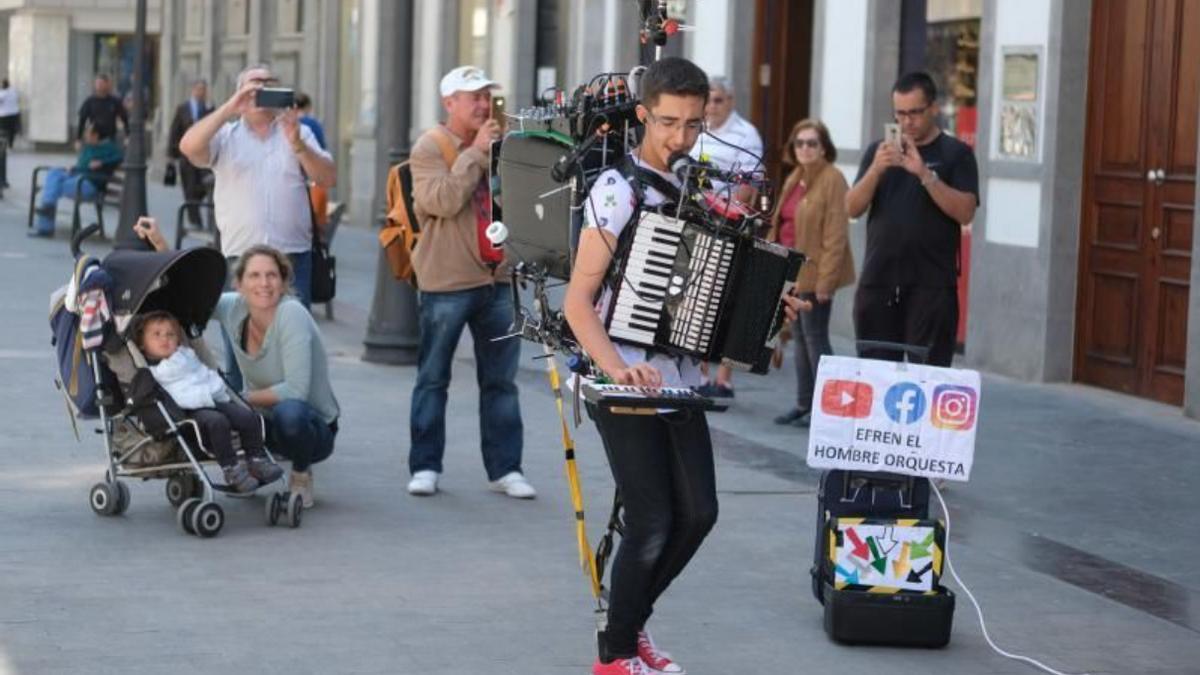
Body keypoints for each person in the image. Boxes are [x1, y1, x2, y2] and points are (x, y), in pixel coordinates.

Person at [562, 56, 809, 675]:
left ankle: (630, 624)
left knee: (699, 513)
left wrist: (765, 303)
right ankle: (615, 657)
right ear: (644, 114)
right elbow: (576, 303)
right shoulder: (616, 190)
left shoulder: (687, 187)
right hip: (622, 380)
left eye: (693, 124)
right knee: (651, 521)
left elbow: (701, 290)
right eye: (669, 122)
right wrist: (618, 369)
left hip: (680, 379)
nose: (680, 136)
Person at [135, 218, 339, 509]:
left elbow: (296, 390)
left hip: (312, 428)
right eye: (254, 276)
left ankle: (301, 473)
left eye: (272, 276)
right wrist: (159, 244)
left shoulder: (292, 315)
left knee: (288, 414)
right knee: (226, 416)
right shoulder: (234, 307)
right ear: (239, 283)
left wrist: (238, 400)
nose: (264, 284)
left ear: (283, 282)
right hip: (262, 420)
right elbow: (187, 295)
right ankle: (252, 466)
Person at [404, 65, 532, 500]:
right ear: (449, 104)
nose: (482, 104)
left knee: (500, 382)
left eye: (486, 96)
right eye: (471, 97)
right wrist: (476, 153)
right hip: (447, 280)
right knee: (433, 378)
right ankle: (424, 466)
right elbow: (439, 201)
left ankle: (506, 469)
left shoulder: (503, 141)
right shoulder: (430, 147)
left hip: (497, 277)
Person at [845, 71, 979, 367]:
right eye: (900, 114)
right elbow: (852, 208)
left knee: (927, 377)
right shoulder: (878, 152)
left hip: (930, 285)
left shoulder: (956, 154)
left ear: (934, 108)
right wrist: (876, 170)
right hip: (879, 281)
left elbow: (966, 211)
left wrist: (924, 174)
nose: (907, 122)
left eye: (915, 113)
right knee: (875, 374)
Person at [178, 63, 336, 309]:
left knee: (294, 339)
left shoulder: (298, 131)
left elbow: (328, 178)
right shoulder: (226, 136)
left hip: (291, 257)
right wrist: (229, 108)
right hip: (241, 257)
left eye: (267, 84)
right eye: (253, 86)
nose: (260, 90)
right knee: (241, 337)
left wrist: (298, 145)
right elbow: (188, 147)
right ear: (239, 93)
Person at [767, 119, 855, 427]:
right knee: (800, 339)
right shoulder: (796, 176)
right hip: (793, 273)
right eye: (799, 143)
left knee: (816, 339)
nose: (805, 149)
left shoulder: (833, 179)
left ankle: (829, 409)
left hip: (816, 275)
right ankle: (805, 403)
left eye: (812, 143)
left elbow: (835, 235)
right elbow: (781, 225)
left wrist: (826, 282)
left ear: (824, 147)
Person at [135, 310, 283, 492]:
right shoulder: (151, 371)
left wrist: (215, 386)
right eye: (156, 335)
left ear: (179, 339)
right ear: (142, 344)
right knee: (217, 421)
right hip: (187, 409)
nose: (164, 339)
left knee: (247, 416)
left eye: (170, 334)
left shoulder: (186, 355)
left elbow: (203, 373)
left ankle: (257, 459)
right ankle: (231, 468)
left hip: (210, 397)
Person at [687, 76, 764, 400]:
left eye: (718, 100)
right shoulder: (695, 130)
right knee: (697, 296)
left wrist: (726, 216)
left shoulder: (745, 134)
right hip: (697, 219)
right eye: (708, 100)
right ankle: (699, 373)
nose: (712, 107)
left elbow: (750, 184)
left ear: (730, 101)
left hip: (729, 223)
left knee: (727, 299)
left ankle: (724, 377)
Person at [29, 125, 123, 238]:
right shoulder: (88, 148)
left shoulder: (109, 148)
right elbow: (82, 166)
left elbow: (120, 157)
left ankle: (46, 226)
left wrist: (102, 163)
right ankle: (47, 210)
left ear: (96, 135)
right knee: (54, 172)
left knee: (54, 188)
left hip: (90, 184)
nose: (85, 136)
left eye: (88, 133)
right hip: (77, 178)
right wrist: (73, 168)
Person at [168, 79, 215, 228]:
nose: (201, 92)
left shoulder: (209, 108)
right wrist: (171, 154)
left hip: (204, 156)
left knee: (205, 186)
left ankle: (208, 220)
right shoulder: (183, 108)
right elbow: (174, 130)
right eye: (199, 89)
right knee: (189, 188)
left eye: (204, 89)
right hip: (186, 157)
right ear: (193, 90)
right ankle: (195, 221)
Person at [76, 74, 127, 144]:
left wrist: (128, 135)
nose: (99, 85)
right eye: (97, 83)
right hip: (93, 139)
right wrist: (78, 139)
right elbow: (82, 120)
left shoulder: (115, 101)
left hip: (110, 139)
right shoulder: (89, 101)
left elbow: (124, 118)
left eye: (101, 83)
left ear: (107, 84)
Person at [0, 79, 20, 149]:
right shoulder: (13, 92)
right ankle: (10, 144)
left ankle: (4, 144)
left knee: (3, 130)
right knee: (11, 130)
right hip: (13, 114)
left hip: (4, 115)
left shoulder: (2, 93)